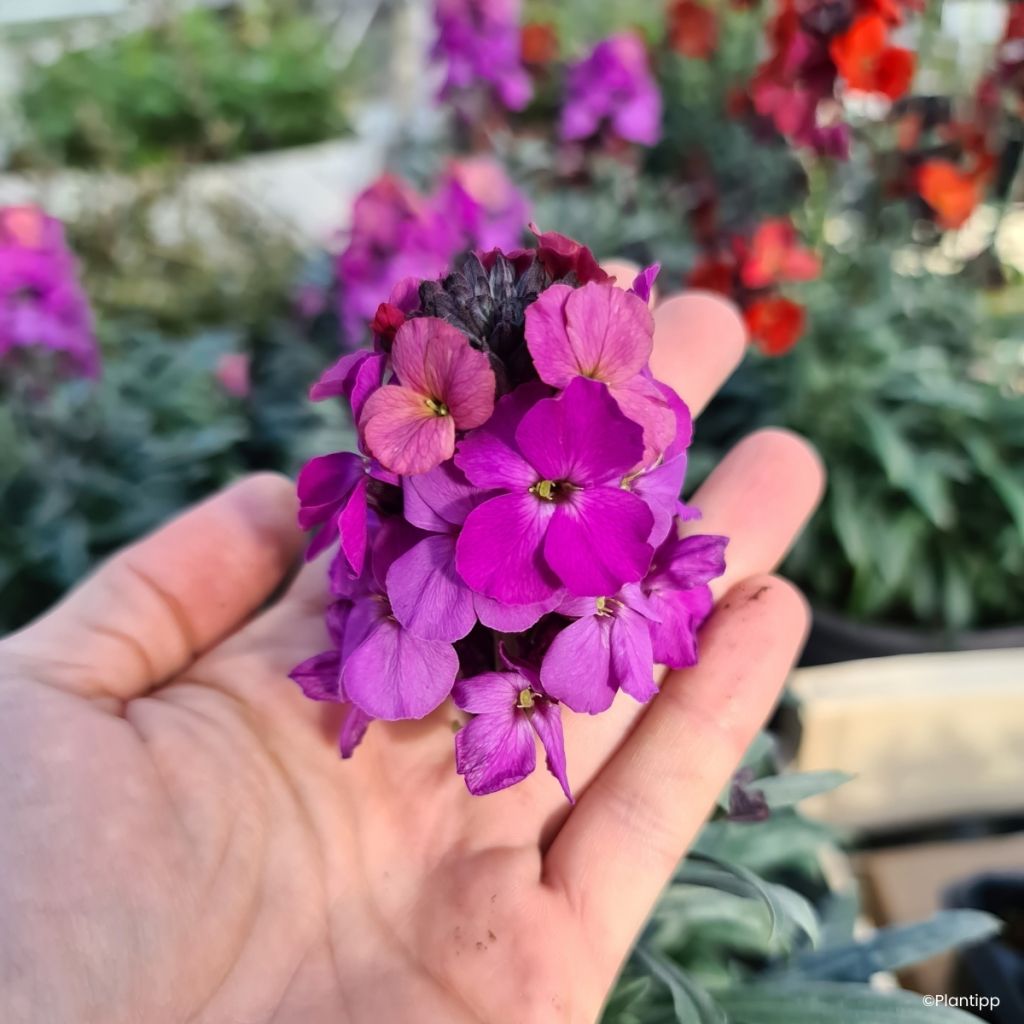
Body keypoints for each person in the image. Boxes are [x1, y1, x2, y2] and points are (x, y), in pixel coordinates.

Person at [0, 286, 823, 1024]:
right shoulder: (442, 501)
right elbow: (435, 517)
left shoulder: (586, 494)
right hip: (452, 594)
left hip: (542, 604)